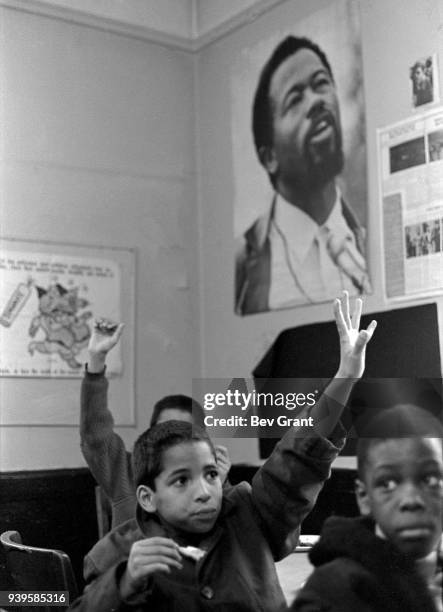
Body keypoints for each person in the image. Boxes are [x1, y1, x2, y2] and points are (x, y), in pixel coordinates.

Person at [70, 293, 376, 611]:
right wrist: (123, 580)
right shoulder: (121, 551)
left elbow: (299, 455)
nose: (204, 492)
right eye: (181, 480)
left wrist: (345, 379)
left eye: (210, 474)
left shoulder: (248, 512)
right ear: (147, 496)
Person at [235, 36, 370, 315]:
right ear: (270, 157)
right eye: (295, 99)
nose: (316, 101)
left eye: (321, 83)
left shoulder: (367, 237)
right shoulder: (242, 267)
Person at [80, 320, 231, 529]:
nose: (174, 443)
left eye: (185, 435)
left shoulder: (214, 481)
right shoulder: (127, 472)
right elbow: (95, 437)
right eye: (165, 432)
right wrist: (97, 360)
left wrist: (218, 486)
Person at [292, 403, 443, 612]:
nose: (411, 500)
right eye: (388, 483)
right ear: (364, 497)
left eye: (431, 479)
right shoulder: (331, 595)